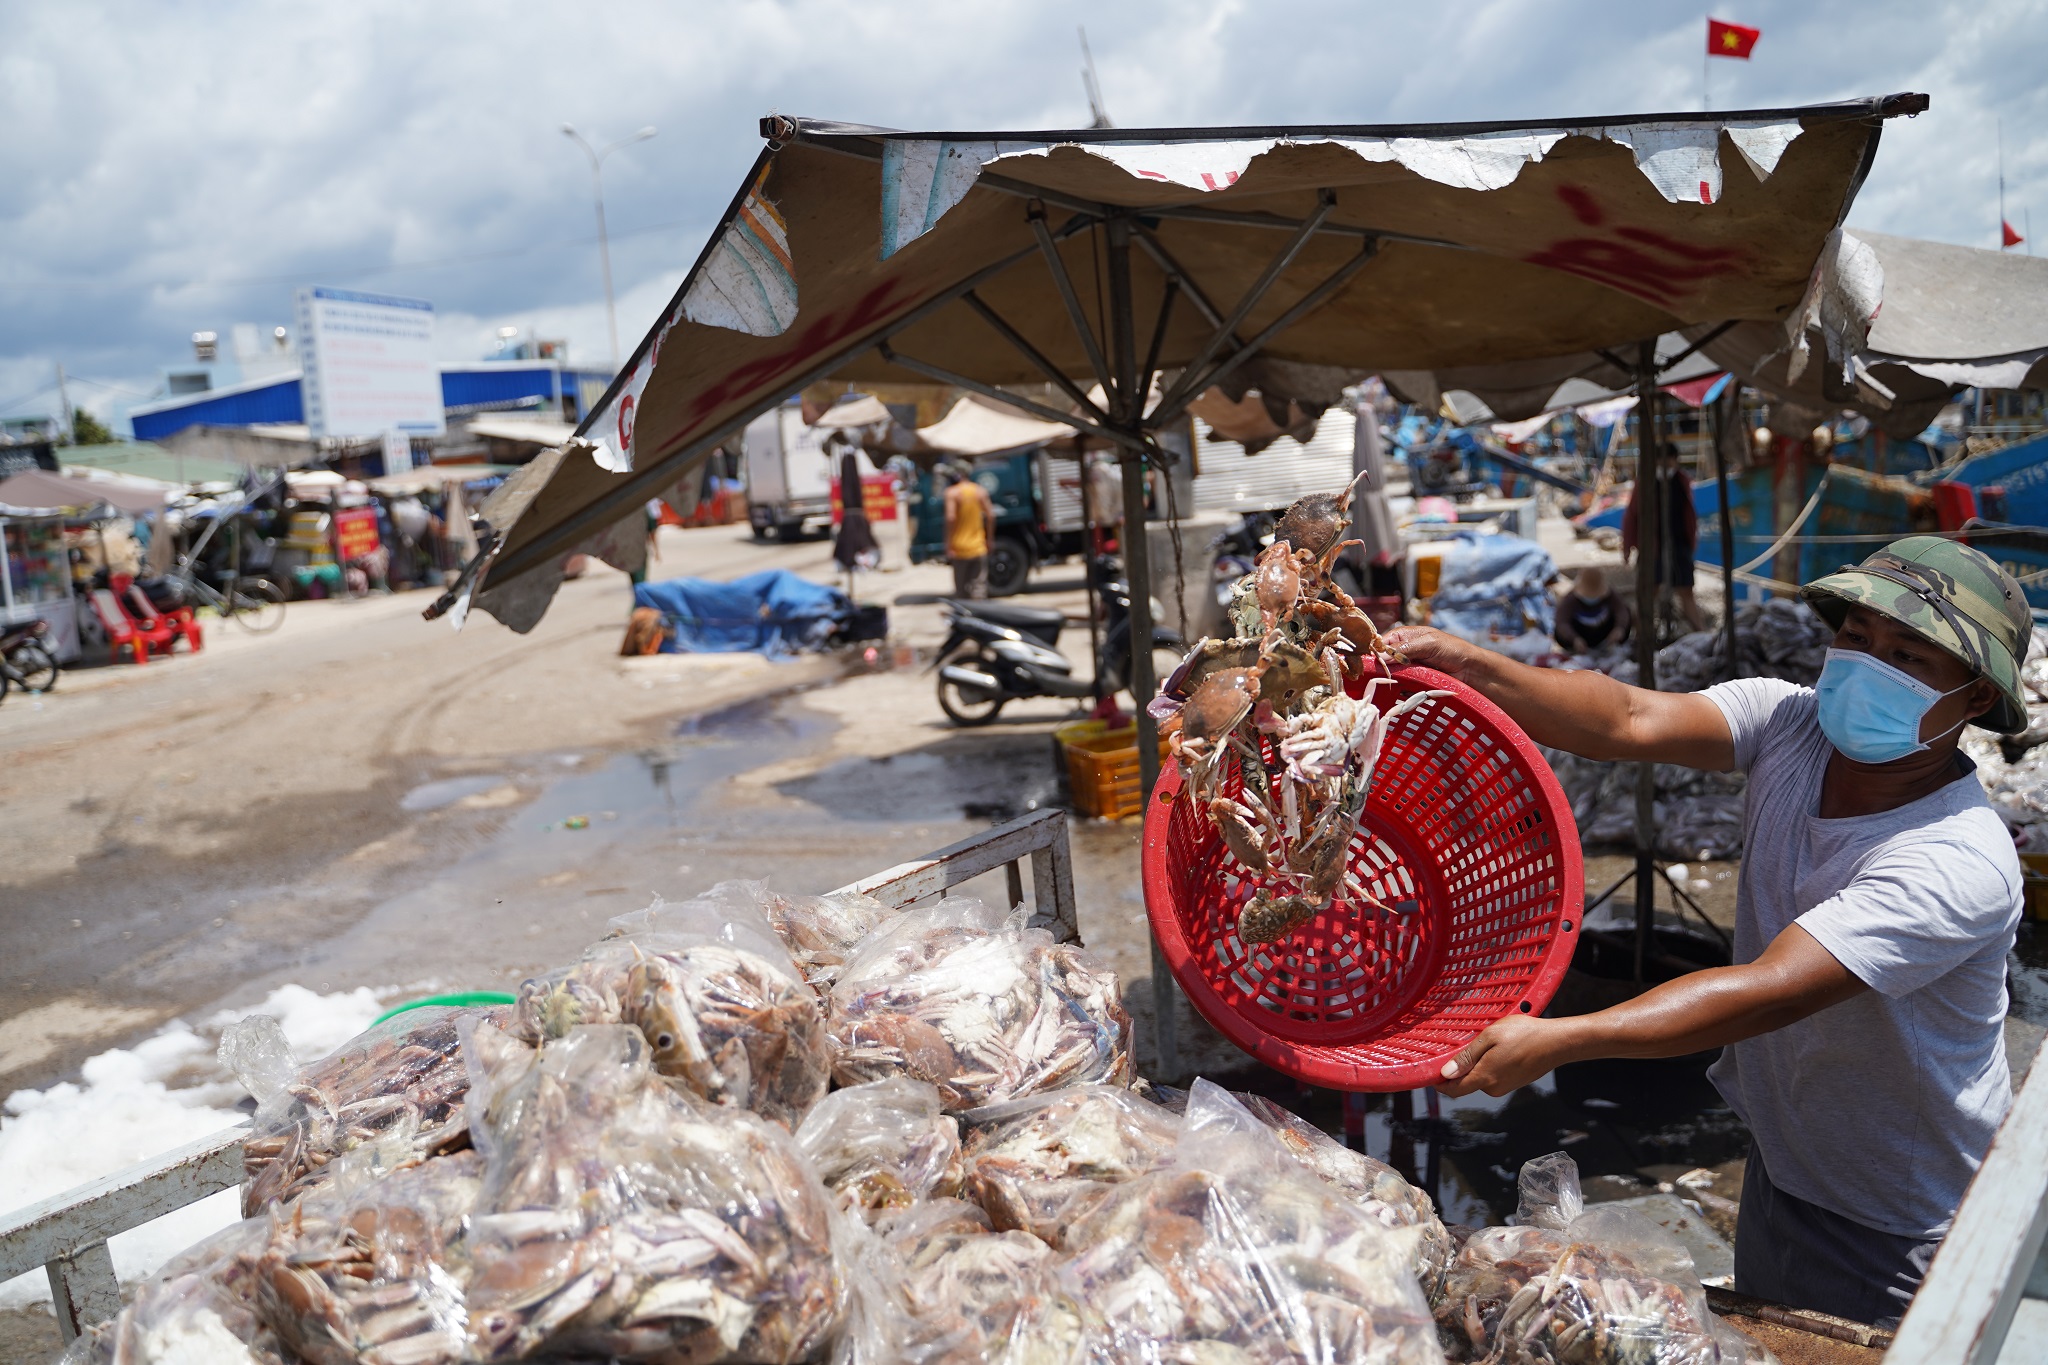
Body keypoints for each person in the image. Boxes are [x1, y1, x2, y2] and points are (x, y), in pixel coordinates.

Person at [1388, 536, 2030, 1328]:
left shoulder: (1957, 856)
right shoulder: (1790, 723)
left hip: (1897, 1215)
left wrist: (1560, 1038)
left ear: (1972, 699)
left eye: (1909, 655)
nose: (1869, 663)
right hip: (1786, 1161)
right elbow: (1625, 715)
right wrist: (1462, 660)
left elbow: (1769, 990)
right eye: (1857, 638)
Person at [1623, 442, 1706, 632]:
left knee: (1686, 590)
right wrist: (1628, 546)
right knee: (1649, 590)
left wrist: (1691, 542)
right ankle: (1639, 632)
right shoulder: (1645, 483)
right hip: (1653, 546)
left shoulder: (1682, 481)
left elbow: (1689, 515)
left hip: (1679, 543)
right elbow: (1632, 515)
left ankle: (1700, 631)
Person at [942, 463, 995, 599]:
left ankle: (964, 617)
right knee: (979, 587)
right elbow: (991, 516)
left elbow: (950, 517)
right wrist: (989, 539)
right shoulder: (979, 491)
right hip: (978, 547)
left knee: (961, 590)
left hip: (959, 549)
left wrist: (948, 544)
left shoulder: (952, 493)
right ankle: (979, 616)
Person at [1553, 566, 1632, 653]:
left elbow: (1621, 610)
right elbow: (1562, 621)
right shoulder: (1570, 599)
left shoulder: (1610, 595)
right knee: (1559, 632)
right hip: (1581, 635)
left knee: (1627, 614)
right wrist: (1574, 639)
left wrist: (1619, 628)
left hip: (1604, 633)